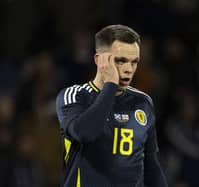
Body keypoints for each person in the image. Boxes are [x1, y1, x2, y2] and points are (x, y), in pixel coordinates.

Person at [56, 24, 168, 187]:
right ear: (99, 60)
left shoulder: (142, 102)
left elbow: (151, 164)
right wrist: (111, 84)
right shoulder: (75, 96)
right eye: (120, 61)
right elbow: (85, 133)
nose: (129, 69)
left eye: (134, 62)